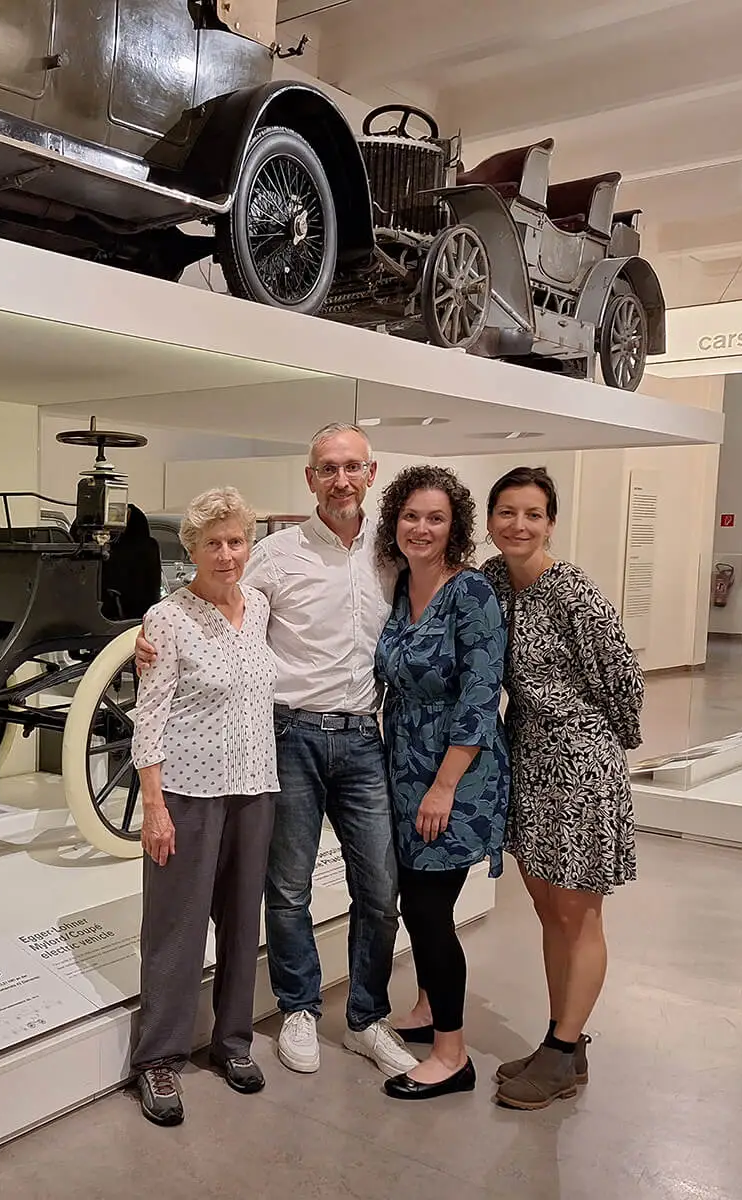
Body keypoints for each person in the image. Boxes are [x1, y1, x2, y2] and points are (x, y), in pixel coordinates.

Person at [135, 423, 420, 1082]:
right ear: (310, 477)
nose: (229, 553)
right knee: (265, 900)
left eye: (352, 467)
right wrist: (139, 637)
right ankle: (246, 1027)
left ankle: (318, 1027)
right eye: (327, 467)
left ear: (370, 473)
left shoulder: (388, 551)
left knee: (367, 893)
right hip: (267, 750)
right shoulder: (269, 559)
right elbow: (185, 611)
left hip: (322, 752)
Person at [481, 466, 644, 1111]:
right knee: (550, 912)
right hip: (527, 765)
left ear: (551, 522)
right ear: (491, 520)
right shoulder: (494, 584)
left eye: (533, 514)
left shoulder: (574, 593)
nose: (519, 526)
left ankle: (564, 1044)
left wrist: (591, 750)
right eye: (507, 513)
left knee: (580, 915)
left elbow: (624, 686)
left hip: (579, 769)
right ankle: (562, 1043)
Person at [128, 487, 280, 1126]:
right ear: (190, 549)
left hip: (254, 786)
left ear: (250, 544)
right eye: (212, 543)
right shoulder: (167, 618)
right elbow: (150, 717)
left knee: (243, 923)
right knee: (177, 927)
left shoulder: (262, 607)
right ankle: (158, 1060)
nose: (226, 554)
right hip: (188, 794)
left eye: (236, 540)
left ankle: (233, 1041)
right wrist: (154, 807)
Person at [371, 466, 510, 1101]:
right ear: (394, 522)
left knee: (428, 909)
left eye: (435, 518)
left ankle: (453, 1056)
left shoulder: (472, 593)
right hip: (403, 766)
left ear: (454, 527)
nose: (421, 528)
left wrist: (444, 785)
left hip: (457, 774)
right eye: (410, 516)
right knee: (414, 902)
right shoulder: (401, 586)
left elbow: (482, 698)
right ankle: (429, 1008)